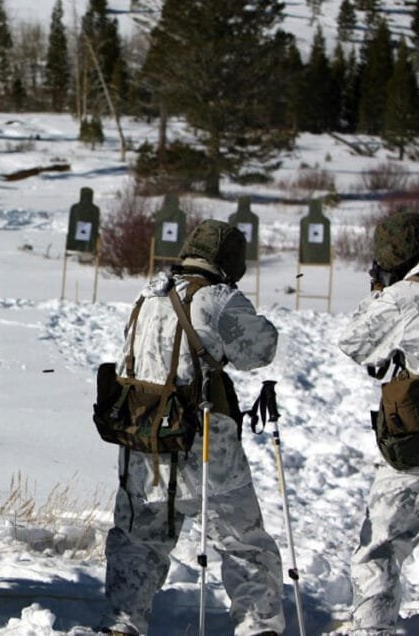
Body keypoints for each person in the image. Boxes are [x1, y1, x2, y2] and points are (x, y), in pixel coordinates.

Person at [98, 219, 284, 636]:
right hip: (204, 445)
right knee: (242, 542)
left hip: (145, 441)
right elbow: (260, 350)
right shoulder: (219, 299)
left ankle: (122, 623)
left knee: (138, 540)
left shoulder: (147, 295)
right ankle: (258, 625)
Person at [338, 211, 419, 635]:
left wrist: (379, 292)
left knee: (379, 546)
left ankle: (373, 629)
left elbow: (355, 341)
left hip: (418, 446)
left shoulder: (408, 295)